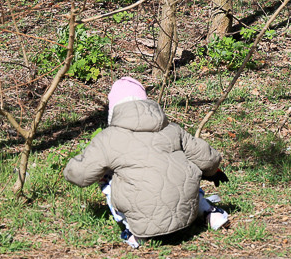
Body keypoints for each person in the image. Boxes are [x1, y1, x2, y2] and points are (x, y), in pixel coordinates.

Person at [65, 77, 230, 247]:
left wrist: (69, 168)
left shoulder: (108, 138)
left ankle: (133, 232)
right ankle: (210, 212)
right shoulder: (171, 128)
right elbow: (207, 157)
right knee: (181, 168)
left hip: (144, 226)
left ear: (113, 109)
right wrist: (213, 171)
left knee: (108, 178)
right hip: (186, 216)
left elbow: (80, 175)